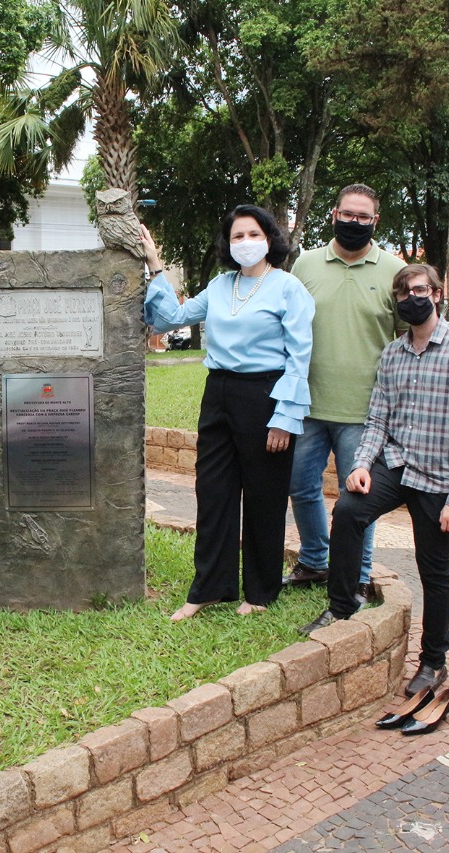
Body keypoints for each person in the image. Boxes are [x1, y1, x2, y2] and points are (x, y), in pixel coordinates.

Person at [299, 264, 449, 702]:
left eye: (419, 290)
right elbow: (378, 419)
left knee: (433, 568)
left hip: (439, 476)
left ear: (436, 294)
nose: (411, 298)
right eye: (402, 293)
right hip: (398, 464)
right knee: (349, 511)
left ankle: (433, 661)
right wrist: (361, 464)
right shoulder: (392, 354)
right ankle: (343, 607)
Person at [139, 206, 313, 621]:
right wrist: (155, 263)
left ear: (269, 239)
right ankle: (210, 587)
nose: (245, 242)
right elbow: (170, 318)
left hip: (266, 395)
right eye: (237, 236)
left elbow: (300, 356)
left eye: (253, 234)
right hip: (218, 393)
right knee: (213, 491)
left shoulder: (288, 288)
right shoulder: (220, 286)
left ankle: (260, 591)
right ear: (227, 244)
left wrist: (284, 418)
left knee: (264, 496)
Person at [285, 183, 405, 599]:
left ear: (376, 221)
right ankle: (315, 560)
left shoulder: (395, 271)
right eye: (347, 214)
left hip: (366, 411)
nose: (354, 222)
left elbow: (408, 339)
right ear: (334, 215)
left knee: (358, 499)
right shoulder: (305, 265)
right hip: (307, 404)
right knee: (300, 487)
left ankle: (358, 575)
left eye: (363, 217)